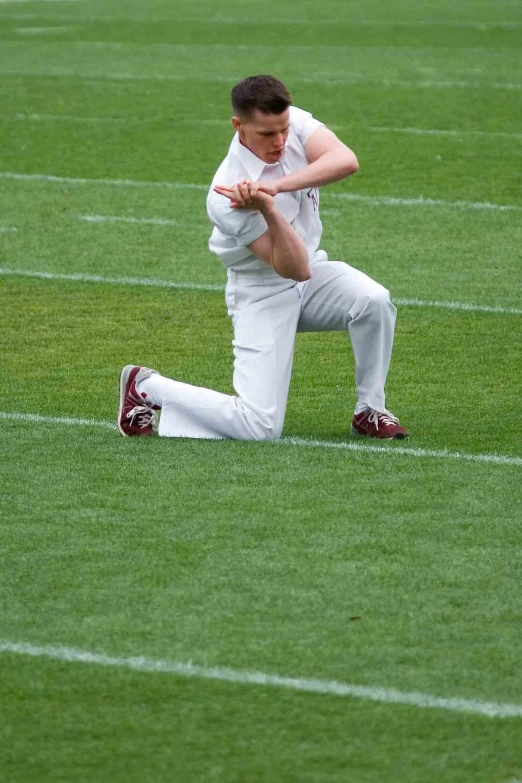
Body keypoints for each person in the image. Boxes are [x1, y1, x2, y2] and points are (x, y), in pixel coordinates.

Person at [118, 74, 409, 441]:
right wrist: (268, 208)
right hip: (261, 290)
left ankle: (370, 410)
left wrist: (275, 185)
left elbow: (346, 161)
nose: (280, 141)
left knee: (373, 301)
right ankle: (147, 387)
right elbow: (293, 268)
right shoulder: (226, 194)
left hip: (313, 271)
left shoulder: (292, 121)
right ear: (238, 126)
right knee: (260, 428)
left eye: (283, 129)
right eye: (267, 134)